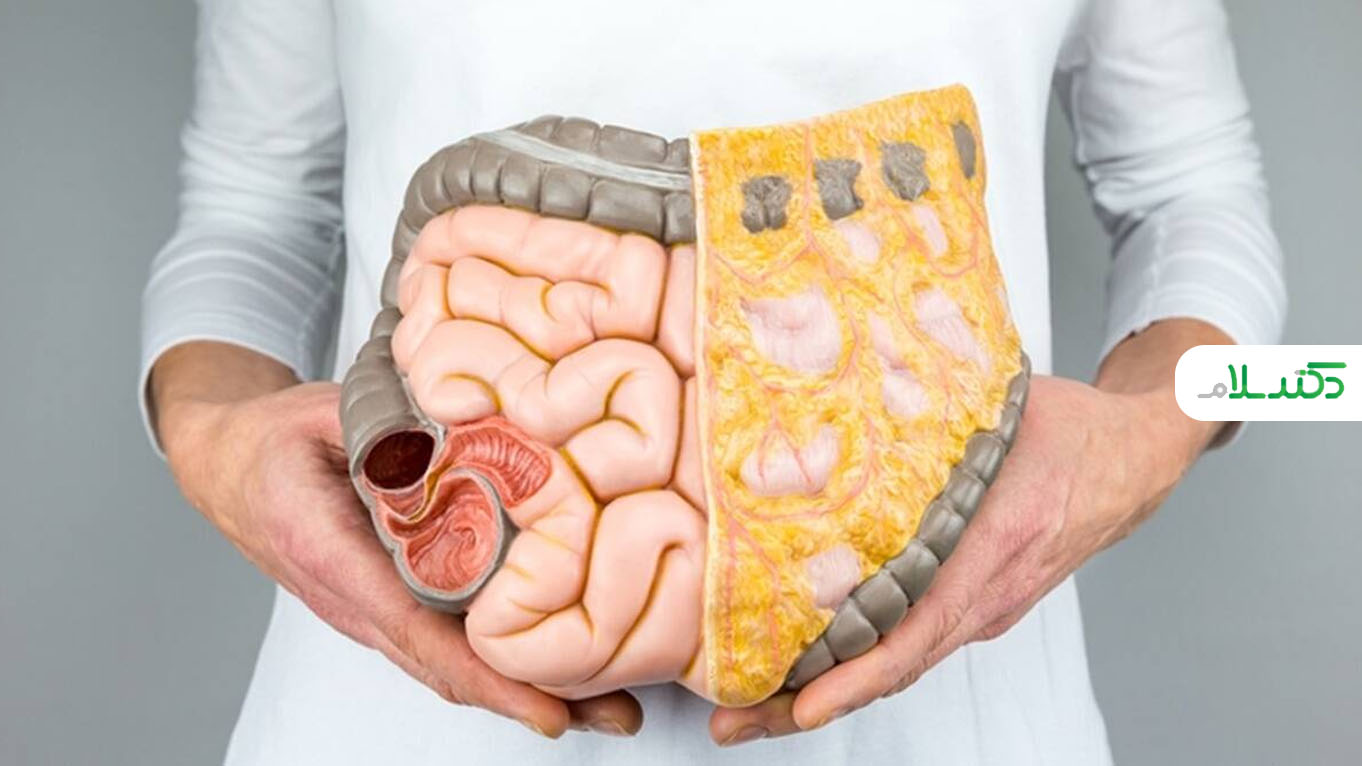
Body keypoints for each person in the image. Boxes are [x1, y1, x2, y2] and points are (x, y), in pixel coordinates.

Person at [140, 0, 1286, 763]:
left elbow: (1210, 202)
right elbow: (246, 212)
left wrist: (1156, 432)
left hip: (959, 724)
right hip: (390, 722)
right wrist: (204, 436)